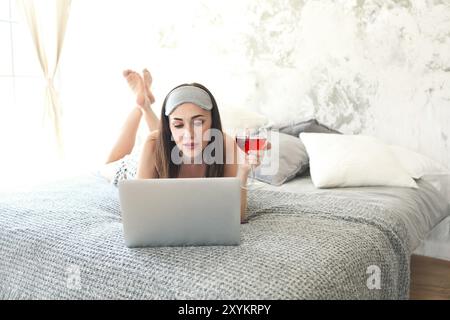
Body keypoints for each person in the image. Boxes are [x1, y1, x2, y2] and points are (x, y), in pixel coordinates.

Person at [101, 69, 269, 223]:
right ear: (170, 127)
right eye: (178, 125)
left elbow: (236, 217)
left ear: (212, 122)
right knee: (107, 166)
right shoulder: (152, 144)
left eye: (198, 122)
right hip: (139, 166)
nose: (190, 133)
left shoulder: (225, 144)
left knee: (169, 140)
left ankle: (146, 104)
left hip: (167, 147)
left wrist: (244, 171)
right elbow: (140, 212)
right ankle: (141, 107)